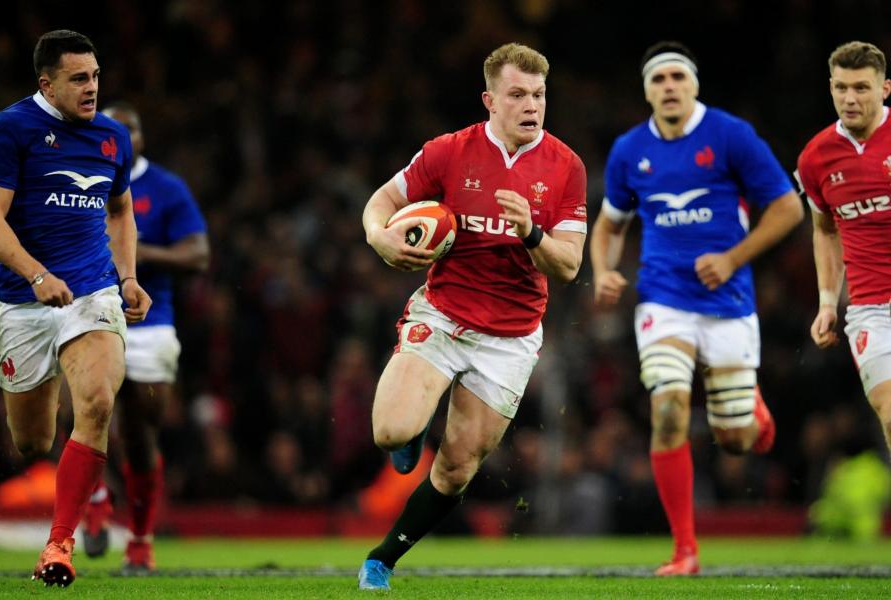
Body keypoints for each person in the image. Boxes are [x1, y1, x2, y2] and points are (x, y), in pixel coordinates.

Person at [356, 42, 587, 591]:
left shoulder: (566, 167)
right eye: (518, 95)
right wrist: (379, 238)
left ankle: (381, 560)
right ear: (490, 100)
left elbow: (570, 265)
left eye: (539, 95)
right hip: (443, 315)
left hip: (509, 337)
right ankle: (411, 431)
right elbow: (380, 203)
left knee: (457, 467)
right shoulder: (448, 151)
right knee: (391, 433)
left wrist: (532, 231)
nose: (532, 105)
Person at [590, 41, 803, 575]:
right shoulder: (628, 150)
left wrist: (733, 258)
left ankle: (751, 411)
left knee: (735, 442)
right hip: (663, 299)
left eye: (676, 78)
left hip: (729, 302)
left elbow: (788, 208)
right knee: (667, 409)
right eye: (657, 79)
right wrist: (604, 269)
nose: (668, 87)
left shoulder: (731, 136)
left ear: (693, 85)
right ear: (646, 91)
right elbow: (611, 223)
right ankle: (685, 550)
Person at [0, 30, 151, 587]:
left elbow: (120, 211)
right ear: (45, 83)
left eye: (95, 76)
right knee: (32, 441)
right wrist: (36, 274)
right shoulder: (11, 129)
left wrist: (127, 278)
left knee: (96, 402)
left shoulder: (112, 138)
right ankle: (63, 511)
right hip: (25, 301)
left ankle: (59, 545)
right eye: (78, 79)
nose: (91, 88)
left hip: (93, 292)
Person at [80, 102, 209, 572]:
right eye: (112, 127)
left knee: (138, 433)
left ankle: (139, 539)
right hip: (89, 311)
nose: (122, 135)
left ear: (141, 137)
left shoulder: (166, 188)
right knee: (73, 409)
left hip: (149, 323)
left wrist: (132, 251)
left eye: (130, 128)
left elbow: (198, 255)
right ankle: (94, 496)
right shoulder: (79, 176)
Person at [797, 42, 891, 467]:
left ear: (884, 88)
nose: (850, 98)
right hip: (871, 308)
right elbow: (824, 231)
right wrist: (827, 301)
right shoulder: (815, 159)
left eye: (861, 87)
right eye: (841, 87)